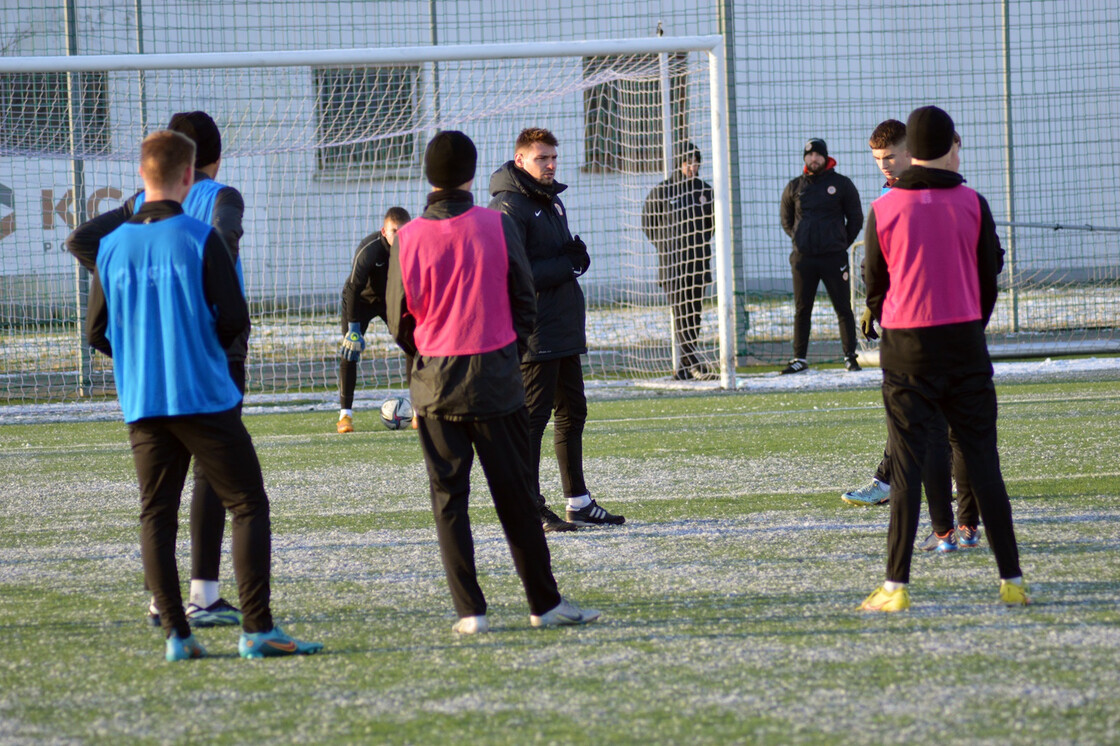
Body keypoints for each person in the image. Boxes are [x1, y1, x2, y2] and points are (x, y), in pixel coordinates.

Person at [86, 129, 322, 658]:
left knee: (157, 514)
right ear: (188, 176)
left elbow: (96, 331)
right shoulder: (198, 237)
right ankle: (257, 629)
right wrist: (200, 352)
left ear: (142, 176)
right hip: (203, 396)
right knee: (247, 503)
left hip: (144, 402)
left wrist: (139, 360)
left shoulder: (111, 245)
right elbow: (234, 316)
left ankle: (178, 635)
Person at [386, 130, 600, 633]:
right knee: (515, 497)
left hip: (436, 385)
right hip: (495, 378)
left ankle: (470, 613)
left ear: (428, 176)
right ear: (470, 174)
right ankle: (543, 604)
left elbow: (399, 319)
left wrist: (428, 354)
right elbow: (523, 299)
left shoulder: (410, 235)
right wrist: (504, 348)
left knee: (449, 501)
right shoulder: (495, 225)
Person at [66, 111, 246, 628]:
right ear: (210, 160)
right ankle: (205, 594)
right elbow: (223, 243)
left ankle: (162, 601)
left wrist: (131, 300)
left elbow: (82, 240)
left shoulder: (137, 208)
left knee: (158, 496)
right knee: (222, 478)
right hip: (214, 354)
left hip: (150, 365)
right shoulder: (222, 196)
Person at [858, 106, 1029, 612]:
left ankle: (896, 587)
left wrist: (890, 316)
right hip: (964, 345)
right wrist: (971, 327)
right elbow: (988, 278)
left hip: (908, 349)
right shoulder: (973, 202)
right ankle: (1011, 579)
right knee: (984, 463)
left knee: (908, 467)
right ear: (951, 145)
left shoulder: (884, 209)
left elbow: (875, 285)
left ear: (911, 149)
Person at [845, 123, 983, 554]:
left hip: (930, 332)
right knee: (940, 430)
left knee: (936, 431)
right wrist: (877, 306)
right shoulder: (903, 198)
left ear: (913, 153)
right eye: (878, 160)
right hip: (928, 331)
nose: (885, 166)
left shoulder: (943, 198)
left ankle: (948, 528)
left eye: (891, 157)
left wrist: (882, 304)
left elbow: (983, 260)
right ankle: (961, 525)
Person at [488, 127, 625, 531]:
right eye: (541, 158)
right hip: (536, 331)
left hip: (563, 326)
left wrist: (575, 258)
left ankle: (578, 502)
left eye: (553, 157)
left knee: (573, 412)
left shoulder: (551, 201)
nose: (549, 165)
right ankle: (528, 506)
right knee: (533, 420)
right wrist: (565, 265)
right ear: (520, 161)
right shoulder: (507, 206)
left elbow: (558, 257)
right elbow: (513, 273)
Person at [779, 138, 863, 373]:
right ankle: (800, 359)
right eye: (809, 155)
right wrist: (799, 239)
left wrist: (840, 243)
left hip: (834, 257)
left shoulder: (841, 184)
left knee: (843, 307)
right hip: (803, 258)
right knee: (802, 309)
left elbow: (855, 217)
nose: (813, 159)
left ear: (825, 158)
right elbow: (786, 220)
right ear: (805, 159)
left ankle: (849, 356)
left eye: (818, 155)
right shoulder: (795, 186)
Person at [641, 142, 716, 381]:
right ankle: (692, 362)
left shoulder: (705, 191)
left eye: (696, 163)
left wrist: (697, 242)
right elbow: (648, 223)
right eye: (688, 162)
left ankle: (685, 366)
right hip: (672, 266)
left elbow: (711, 226)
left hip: (698, 263)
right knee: (681, 313)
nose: (692, 167)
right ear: (679, 163)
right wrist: (666, 245)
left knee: (694, 314)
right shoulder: (663, 190)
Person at [337, 206, 412, 433]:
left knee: (415, 349)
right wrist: (353, 329)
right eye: (394, 231)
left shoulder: (414, 247)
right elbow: (352, 288)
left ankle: (420, 410)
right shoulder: (369, 250)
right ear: (384, 231)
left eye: (404, 231)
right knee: (350, 351)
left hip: (392, 302)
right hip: (361, 302)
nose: (399, 236)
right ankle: (345, 416)